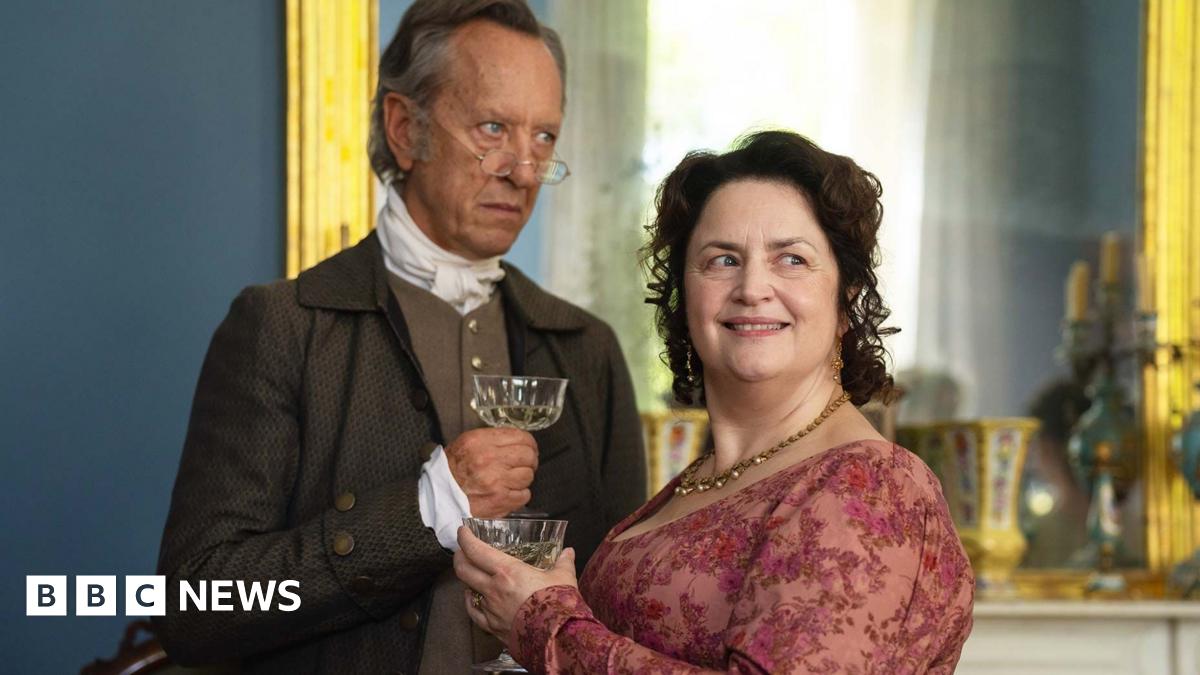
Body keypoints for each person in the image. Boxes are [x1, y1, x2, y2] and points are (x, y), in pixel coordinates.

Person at [154, 1, 645, 673]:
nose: (524, 170)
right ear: (405, 128)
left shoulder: (587, 349)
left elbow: (625, 610)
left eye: (544, 138)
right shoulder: (281, 327)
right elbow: (195, 606)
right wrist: (425, 508)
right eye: (494, 128)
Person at [455, 130, 975, 673]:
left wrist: (546, 626)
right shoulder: (703, 480)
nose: (752, 287)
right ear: (685, 295)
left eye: (792, 260)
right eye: (723, 260)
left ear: (845, 300)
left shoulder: (871, 487)